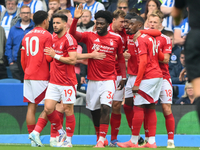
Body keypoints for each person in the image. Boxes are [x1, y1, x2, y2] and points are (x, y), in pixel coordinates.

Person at [69, 4, 126, 147]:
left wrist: (123, 77)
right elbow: (72, 35)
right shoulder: (89, 36)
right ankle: (99, 136)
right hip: (93, 81)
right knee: (94, 111)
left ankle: (101, 140)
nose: (98, 25)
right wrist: (75, 19)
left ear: (108, 24)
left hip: (109, 79)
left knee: (106, 107)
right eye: (97, 23)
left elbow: (120, 58)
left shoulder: (116, 38)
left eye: (101, 23)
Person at [29, 13, 78, 147]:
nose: (55, 25)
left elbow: (73, 60)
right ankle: (61, 132)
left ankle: (68, 140)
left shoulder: (69, 39)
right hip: (54, 81)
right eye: (54, 23)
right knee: (48, 108)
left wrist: (55, 55)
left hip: (68, 82)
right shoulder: (53, 38)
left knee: (68, 110)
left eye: (58, 23)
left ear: (64, 24)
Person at [117, 15, 164, 148]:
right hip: (156, 75)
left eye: (131, 24)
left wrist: (137, 83)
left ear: (138, 26)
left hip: (148, 76)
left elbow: (143, 62)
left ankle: (133, 142)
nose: (128, 26)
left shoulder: (141, 39)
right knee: (150, 107)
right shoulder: (150, 38)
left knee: (138, 107)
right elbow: (160, 56)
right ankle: (152, 142)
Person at [143, 12, 175, 148]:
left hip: (163, 77)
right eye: (150, 22)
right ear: (147, 22)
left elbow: (166, 59)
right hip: (148, 77)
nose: (152, 24)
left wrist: (155, 47)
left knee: (166, 108)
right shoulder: (142, 38)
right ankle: (149, 139)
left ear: (161, 24)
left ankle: (171, 140)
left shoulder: (166, 39)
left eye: (155, 22)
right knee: (147, 108)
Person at [20, 10, 52, 147]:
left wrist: (27, 71)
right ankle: (42, 134)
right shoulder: (47, 35)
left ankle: (32, 139)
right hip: (41, 75)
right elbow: (49, 57)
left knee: (31, 106)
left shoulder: (26, 35)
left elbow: (22, 59)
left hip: (28, 74)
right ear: (45, 21)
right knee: (50, 107)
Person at [106, 9, 127, 147]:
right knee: (102, 106)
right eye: (121, 21)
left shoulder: (124, 34)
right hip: (105, 73)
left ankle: (113, 139)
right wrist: (119, 57)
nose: (124, 24)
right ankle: (100, 137)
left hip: (119, 73)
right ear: (113, 20)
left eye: (125, 21)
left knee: (116, 105)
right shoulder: (103, 30)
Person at [5, 5, 34, 82]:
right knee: (18, 86)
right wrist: (10, 60)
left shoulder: (35, 28)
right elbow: (8, 46)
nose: (26, 15)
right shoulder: (13, 29)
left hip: (31, 62)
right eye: (24, 13)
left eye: (28, 13)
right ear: (20, 14)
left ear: (31, 14)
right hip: (16, 63)